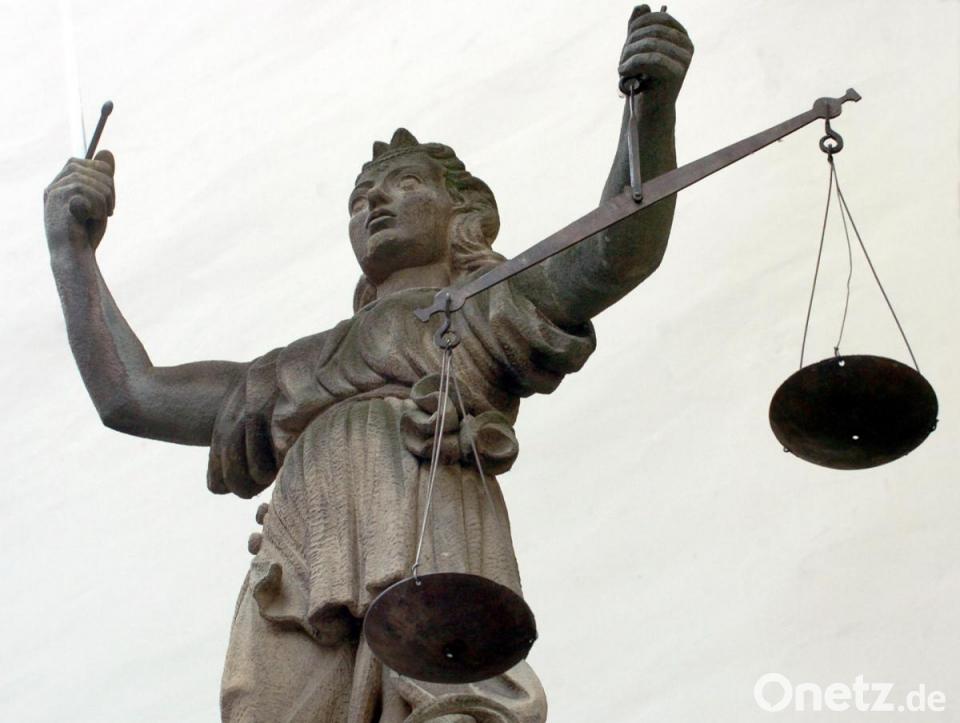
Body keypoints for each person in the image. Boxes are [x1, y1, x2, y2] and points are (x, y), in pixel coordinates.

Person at [43, 6, 692, 722]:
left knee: (453, 705)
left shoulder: (484, 309)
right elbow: (131, 395)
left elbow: (616, 250)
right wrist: (72, 254)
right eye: (360, 198)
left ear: (463, 212)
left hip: (424, 529)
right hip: (301, 557)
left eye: (404, 183)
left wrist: (649, 107)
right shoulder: (297, 367)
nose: (376, 200)